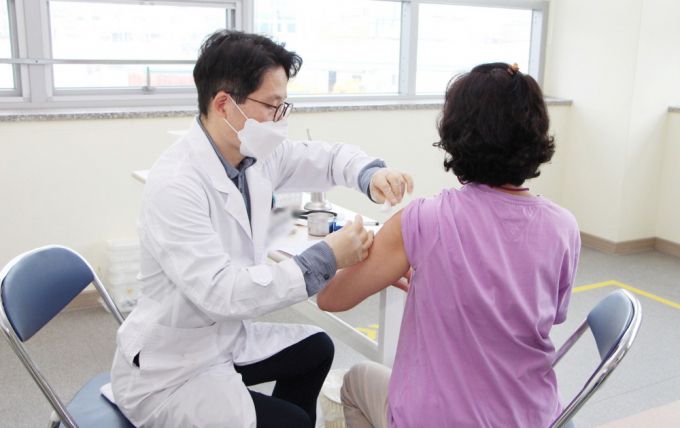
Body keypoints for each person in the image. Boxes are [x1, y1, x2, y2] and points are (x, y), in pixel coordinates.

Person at [109, 30, 413, 428]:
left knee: (317, 349)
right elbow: (221, 293)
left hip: (221, 338)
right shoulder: (176, 185)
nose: (279, 120)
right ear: (224, 104)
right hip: (172, 367)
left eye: (283, 106)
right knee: (291, 421)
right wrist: (326, 257)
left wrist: (371, 176)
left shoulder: (251, 157)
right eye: (271, 106)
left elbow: (325, 158)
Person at [317, 62, 581, 428]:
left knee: (355, 381)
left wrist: (338, 249)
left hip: (435, 420)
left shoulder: (422, 220)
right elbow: (547, 314)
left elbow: (331, 299)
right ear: (536, 135)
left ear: (456, 135)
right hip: (532, 419)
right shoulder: (564, 227)